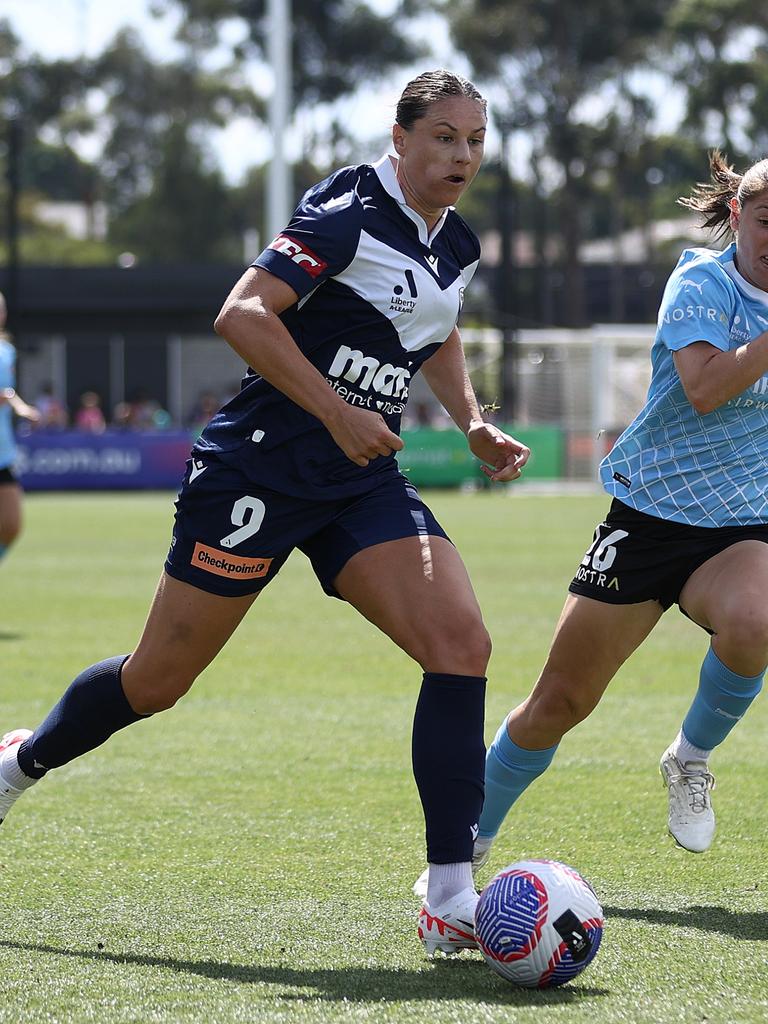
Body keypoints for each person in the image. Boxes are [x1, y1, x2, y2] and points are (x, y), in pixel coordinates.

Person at [0, 70, 530, 956]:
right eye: (443, 136)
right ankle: (19, 765)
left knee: (459, 646)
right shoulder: (347, 209)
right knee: (157, 681)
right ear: (399, 138)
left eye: (475, 140)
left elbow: (435, 329)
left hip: (359, 479)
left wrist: (470, 418)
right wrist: (334, 408)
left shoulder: (457, 242)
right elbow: (241, 314)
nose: (462, 156)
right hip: (259, 469)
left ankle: (449, 895)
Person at [472, 149, 768, 870]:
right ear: (737, 215)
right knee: (560, 703)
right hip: (649, 517)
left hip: (740, 526)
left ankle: (689, 758)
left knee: (758, 620)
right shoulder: (702, 279)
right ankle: (462, 846)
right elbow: (704, 387)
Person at [0, 292, 40, 566]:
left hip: (2, 451)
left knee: (11, 526)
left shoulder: (6, 351)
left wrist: (22, 407)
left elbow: (7, 392)